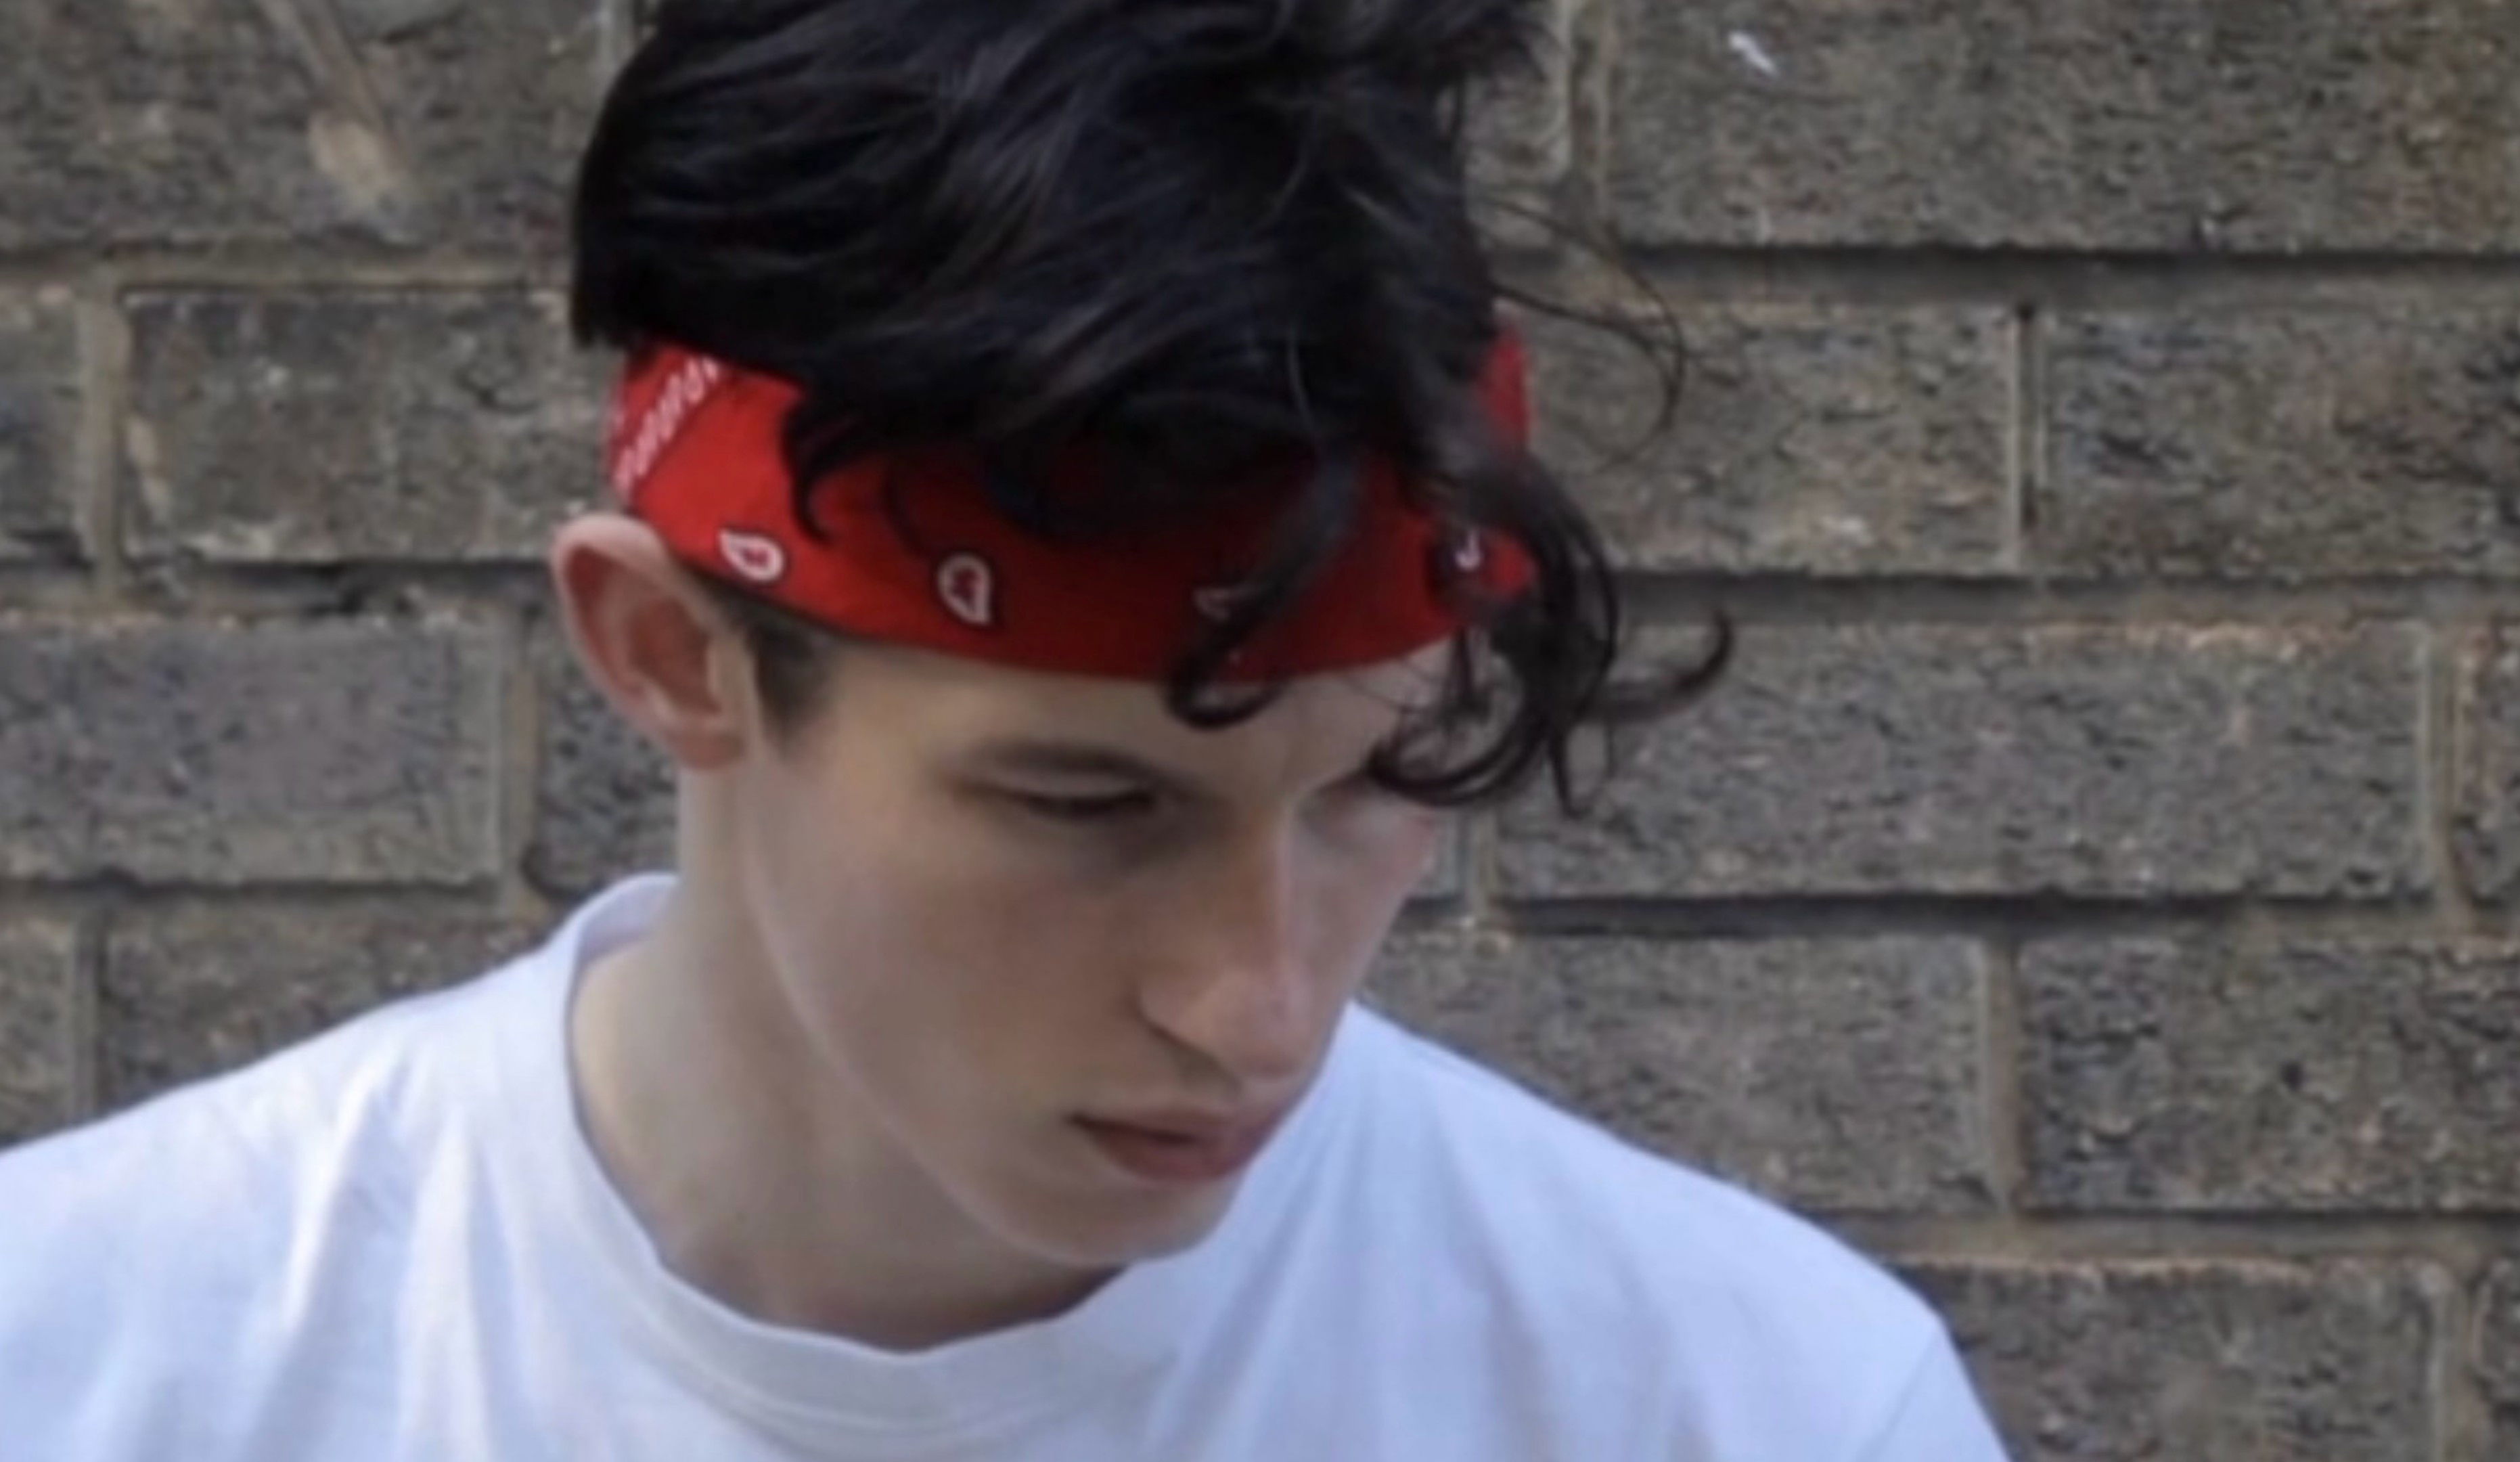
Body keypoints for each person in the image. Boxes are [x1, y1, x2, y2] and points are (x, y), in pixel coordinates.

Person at [0, 0, 2011, 1456]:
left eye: (1373, 784)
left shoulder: (1751, 1406)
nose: (1256, 1012)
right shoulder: (93, 1360)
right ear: (672, 654)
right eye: (1090, 802)